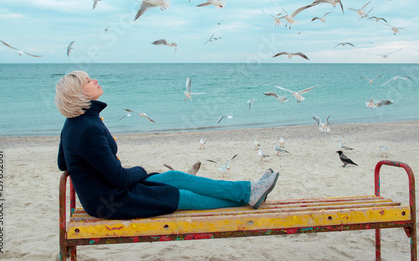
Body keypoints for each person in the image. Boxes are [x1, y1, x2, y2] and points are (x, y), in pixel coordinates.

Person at [55, 70, 279, 220]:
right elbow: (119, 178)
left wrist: (88, 174)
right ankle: (246, 196)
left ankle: (248, 190)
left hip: (106, 194)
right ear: (78, 93)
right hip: (112, 201)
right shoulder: (87, 128)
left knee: (174, 178)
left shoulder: (74, 122)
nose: (94, 80)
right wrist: (141, 171)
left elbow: (63, 162)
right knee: (185, 197)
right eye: (88, 81)